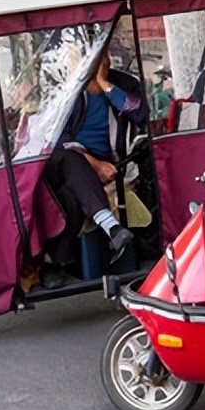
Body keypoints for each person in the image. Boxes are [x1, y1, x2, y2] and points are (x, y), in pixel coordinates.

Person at [44, 48, 148, 271]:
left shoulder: (123, 83)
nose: (98, 61)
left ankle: (59, 262)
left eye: (102, 55)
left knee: (70, 197)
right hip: (73, 160)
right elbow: (58, 140)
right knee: (70, 159)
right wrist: (94, 164)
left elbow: (141, 114)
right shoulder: (69, 91)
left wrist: (105, 85)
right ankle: (111, 227)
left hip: (111, 162)